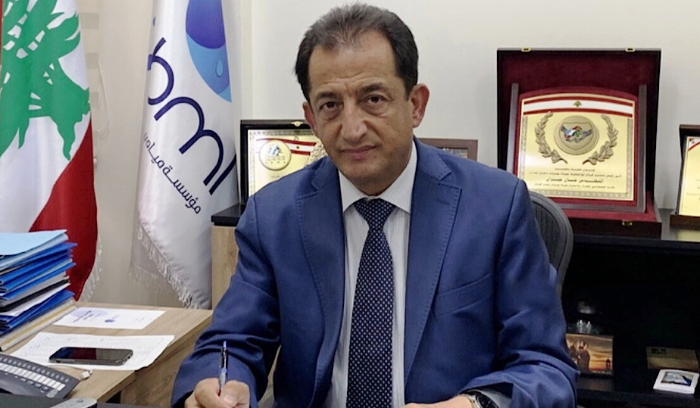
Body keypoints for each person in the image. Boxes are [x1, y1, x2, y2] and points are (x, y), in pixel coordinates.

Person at [172, 4, 578, 408]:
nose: (352, 129)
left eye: (373, 99)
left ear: (415, 105)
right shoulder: (274, 215)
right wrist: (217, 386)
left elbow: (544, 367)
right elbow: (232, 342)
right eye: (330, 105)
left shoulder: (495, 208)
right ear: (311, 118)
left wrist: (474, 405)